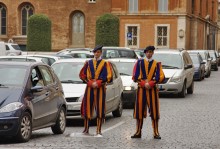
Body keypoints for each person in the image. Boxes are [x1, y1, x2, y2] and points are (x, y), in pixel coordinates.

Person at [131, 45, 165, 139]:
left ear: (152, 53)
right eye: (148, 52)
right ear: (145, 53)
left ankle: (156, 132)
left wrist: (151, 83)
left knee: (154, 111)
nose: (149, 54)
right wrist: (143, 83)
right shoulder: (139, 63)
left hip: (152, 90)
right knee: (139, 111)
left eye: (151, 52)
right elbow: (135, 75)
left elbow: (160, 76)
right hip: (141, 90)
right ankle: (138, 131)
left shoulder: (157, 64)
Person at [79, 45, 113, 136]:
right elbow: (82, 75)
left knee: (100, 108)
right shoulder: (88, 63)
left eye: (98, 52)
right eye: (95, 52)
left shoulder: (106, 63)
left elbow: (108, 76)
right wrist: (89, 83)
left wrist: (98, 83)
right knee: (87, 107)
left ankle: (99, 129)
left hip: (100, 88)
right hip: (89, 87)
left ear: (101, 53)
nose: (96, 54)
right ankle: (86, 128)